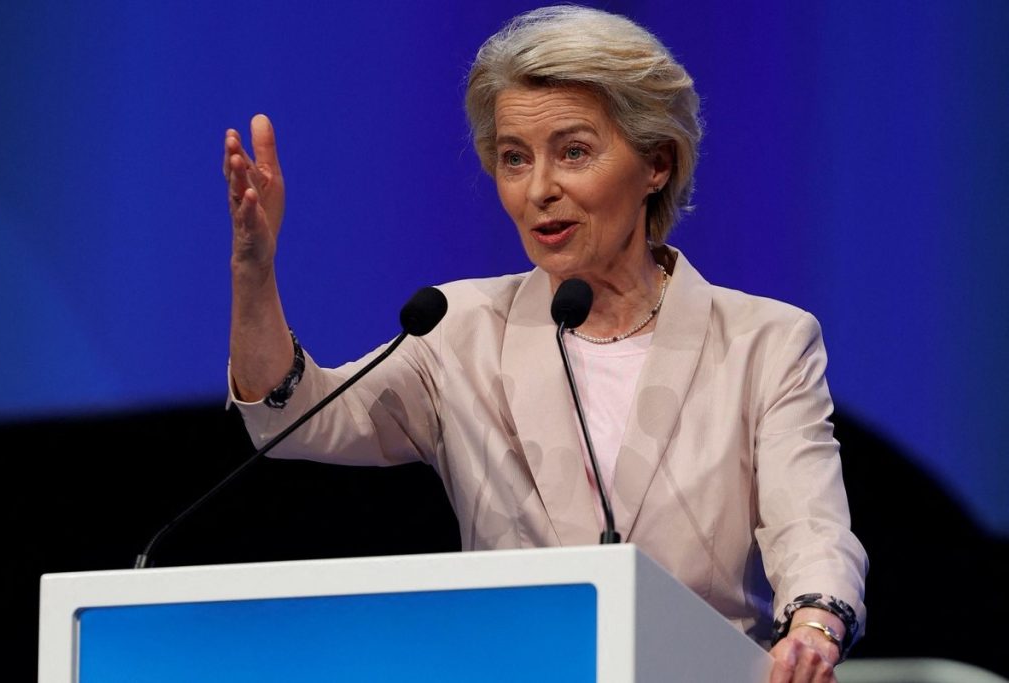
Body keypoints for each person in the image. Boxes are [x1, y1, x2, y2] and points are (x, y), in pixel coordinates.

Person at [223, 6, 867, 682]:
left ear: (656, 163)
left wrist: (812, 627)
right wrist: (253, 271)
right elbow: (293, 417)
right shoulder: (460, 329)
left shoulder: (765, 343)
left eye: (574, 152)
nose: (539, 190)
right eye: (514, 159)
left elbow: (811, 527)